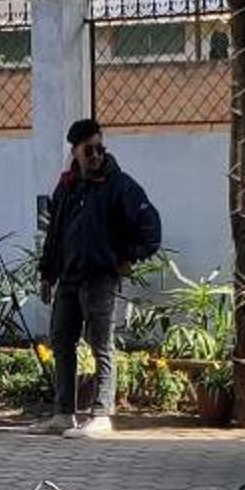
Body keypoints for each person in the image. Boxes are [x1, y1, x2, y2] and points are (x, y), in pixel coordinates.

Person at [36, 118, 161, 438]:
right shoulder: (67, 187)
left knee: (100, 344)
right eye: (88, 150)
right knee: (62, 342)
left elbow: (151, 228)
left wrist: (126, 257)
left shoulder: (120, 186)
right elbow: (55, 234)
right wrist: (47, 273)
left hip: (99, 277)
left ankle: (102, 413)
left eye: (99, 149)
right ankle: (64, 413)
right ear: (75, 152)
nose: (95, 155)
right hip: (68, 277)